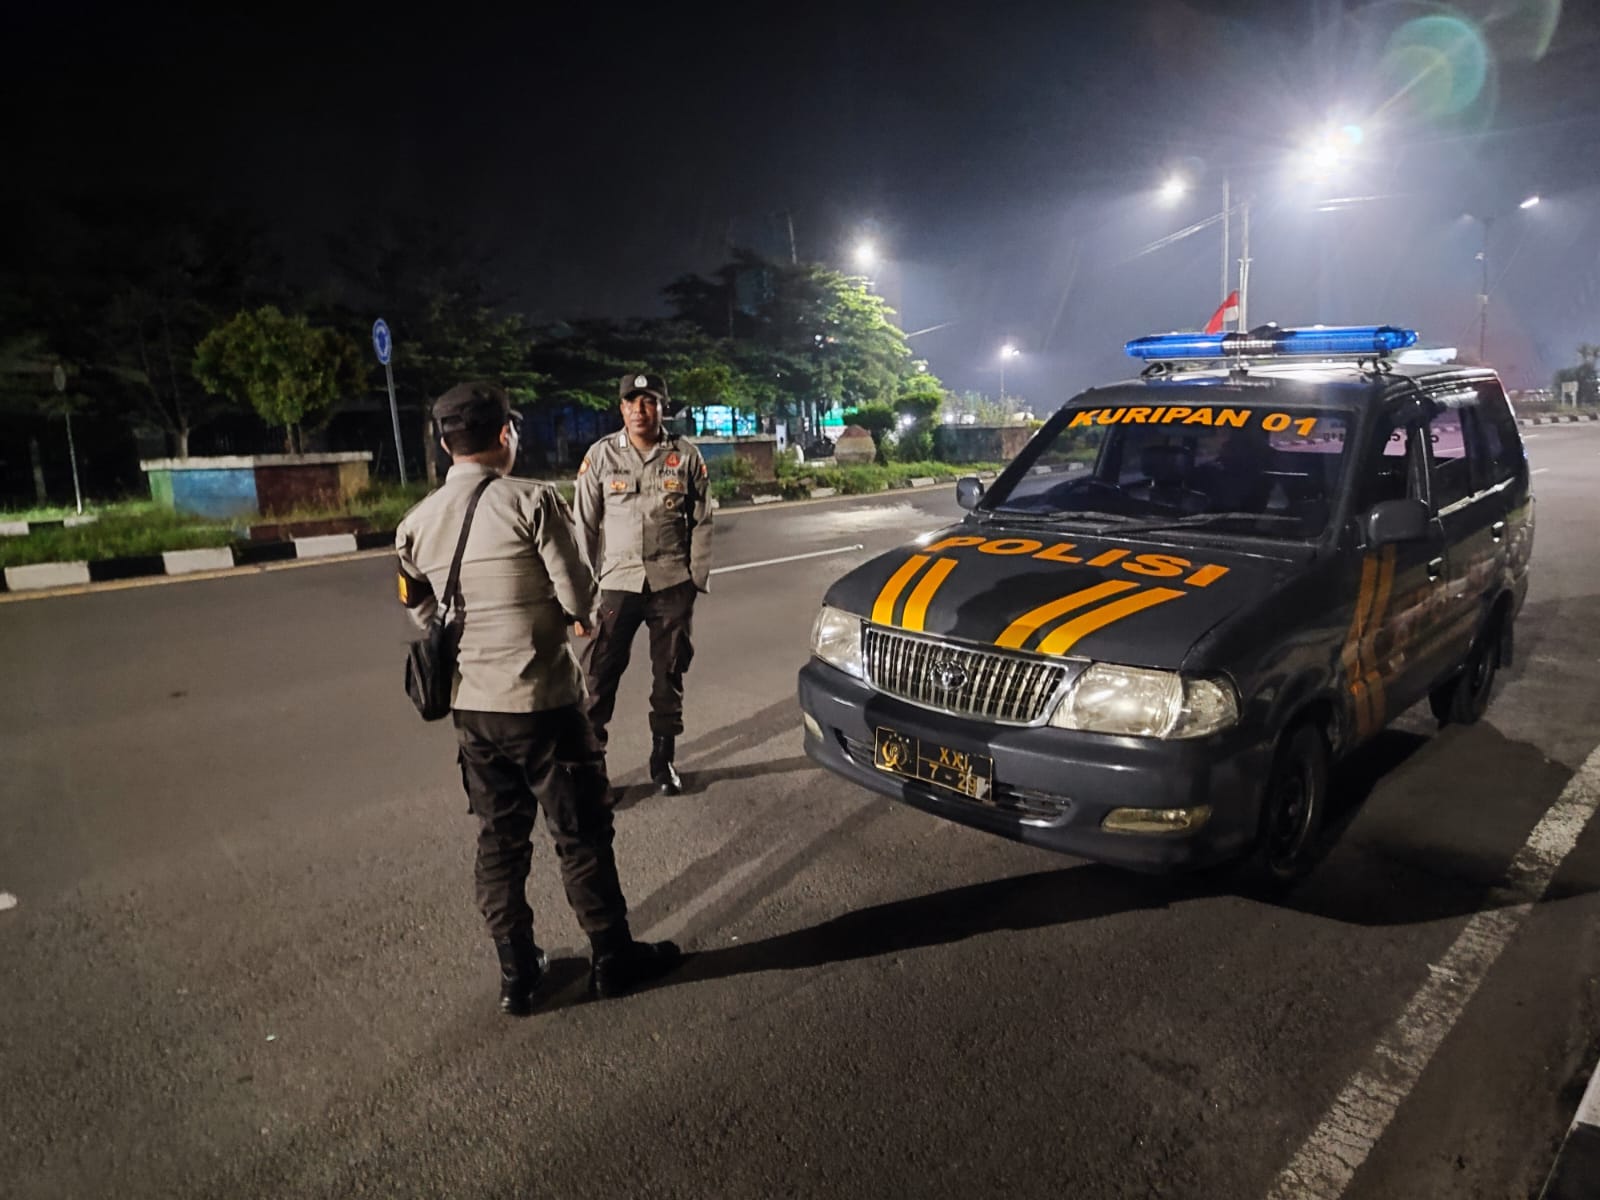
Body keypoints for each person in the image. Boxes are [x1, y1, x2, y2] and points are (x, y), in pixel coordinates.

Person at [394, 381, 681, 1016]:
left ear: (445, 444)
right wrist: (560, 617)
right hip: (544, 704)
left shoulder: (414, 523)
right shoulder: (533, 501)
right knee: (580, 834)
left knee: (499, 840)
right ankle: (612, 959)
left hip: (474, 710)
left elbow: (417, 604)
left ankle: (518, 975)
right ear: (504, 436)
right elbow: (580, 597)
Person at [574, 372, 713, 795]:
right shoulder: (601, 456)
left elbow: (703, 520)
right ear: (621, 409)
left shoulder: (685, 456)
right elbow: (583, 527)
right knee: (598, 676)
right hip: (618, 583)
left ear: (662, 406)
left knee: (668, 674)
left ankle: (663, 759)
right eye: (631, 402)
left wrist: (694, 581)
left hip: (671, 583)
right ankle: (591, 770)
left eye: (648, 400)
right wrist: (581, 598)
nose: (639, 409)